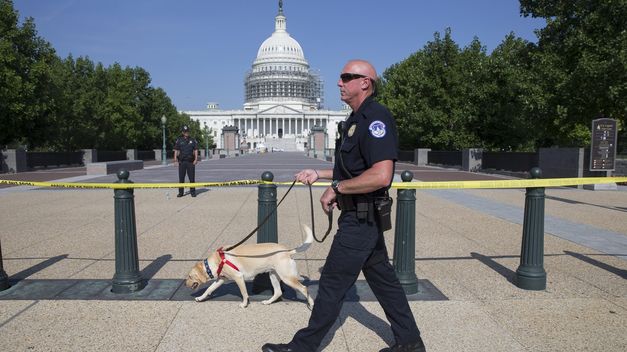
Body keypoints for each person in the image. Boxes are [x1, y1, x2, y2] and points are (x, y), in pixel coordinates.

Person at [262, 60, 426, 352]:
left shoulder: (376, 119)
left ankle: (303, 347)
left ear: (365, 83)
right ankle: (410, 342)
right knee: (384, 282)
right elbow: (353, 170)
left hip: (361, 218)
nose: (339, 82)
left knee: (332, 283)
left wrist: (337, 188)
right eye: (340, 77)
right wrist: (321, 174)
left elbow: (380, 175)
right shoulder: (354, 120)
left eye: (346, 77)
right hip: (361, 214)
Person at [173, 125, 198, 197]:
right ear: (182, 132)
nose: (186, 133)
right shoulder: (179, 140)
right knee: (181, 178)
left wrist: (196, 159)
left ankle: (193, 192)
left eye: (187, 131)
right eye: (185, 132)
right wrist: (175, 160)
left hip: (190, 162)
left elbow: (196, 150)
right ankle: (181, 192)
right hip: (182, 162)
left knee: (192, 178)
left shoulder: (193, 140)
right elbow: (176, 150)